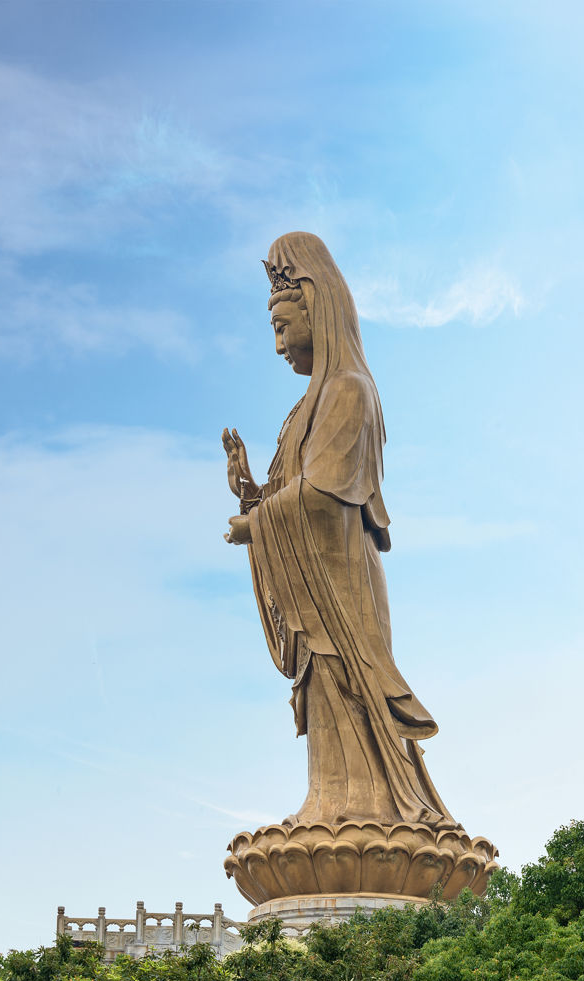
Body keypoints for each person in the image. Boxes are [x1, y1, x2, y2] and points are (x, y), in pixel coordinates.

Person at [223, 232, 455, 829]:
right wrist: (253, 492)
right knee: (320, 688)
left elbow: (325, 494)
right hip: (310, 578)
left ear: (316, 308)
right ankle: (329, 800)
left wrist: (257, 525)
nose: (277, 346)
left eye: (281, 326)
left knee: (348, 685)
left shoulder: (349, 390)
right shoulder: (305, 406)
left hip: (340, 581)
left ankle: (369, 807)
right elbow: (290, 492)